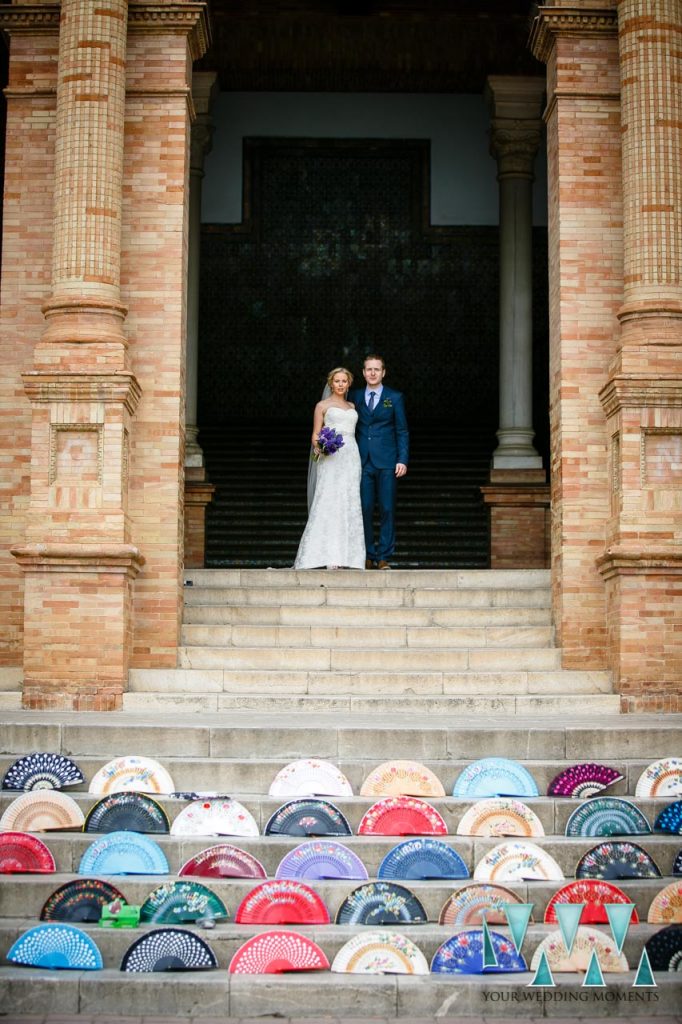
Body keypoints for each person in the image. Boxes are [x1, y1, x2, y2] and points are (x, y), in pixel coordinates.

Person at [293, 367, 366, 570]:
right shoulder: (322, 406)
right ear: (331, 383)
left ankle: (348, 557)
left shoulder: (352, 405)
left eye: (344, 381)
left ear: (349, 383)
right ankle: (327, 555)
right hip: (331, 457)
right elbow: (315, 434)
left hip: (351, 456)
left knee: (349, 501)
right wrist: (321, 446)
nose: (341, 384)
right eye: (337, 381)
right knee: (329, 500)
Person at [350, 354, 409, 569]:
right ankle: (366, 553)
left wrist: (402, 459)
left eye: (377, 369)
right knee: (364, 508)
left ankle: (383, 556)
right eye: (369, 369)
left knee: (386, 508)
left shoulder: (394, 397)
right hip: (361, 461)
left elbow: (402, 430)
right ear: (363, 373)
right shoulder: (354, 396)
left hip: (387, 461)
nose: (372, 373)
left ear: (383, 372)